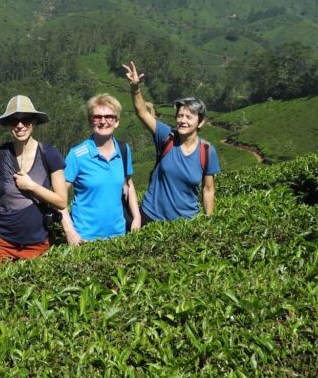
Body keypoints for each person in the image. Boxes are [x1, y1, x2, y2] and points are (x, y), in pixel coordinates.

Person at [123, 61, 220, 222]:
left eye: (189, 117)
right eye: (180, 116)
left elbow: (208, 189)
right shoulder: (166, 136)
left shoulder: (207, 151)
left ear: (200, 122)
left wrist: (208, 222)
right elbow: (142, 112)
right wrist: (135, 87)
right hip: (150, 216)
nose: (182, 120)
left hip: (184, 223)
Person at [0, 95, 67, 264]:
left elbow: (62, 201)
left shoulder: (49, 154)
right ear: (8, 125)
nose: (20, 125)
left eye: (25, 120)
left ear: (33, 122)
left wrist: (32, 186)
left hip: (36, 244)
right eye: (14, 121)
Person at [62, 94, 139, 245]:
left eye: (109, 116)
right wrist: (69, 231)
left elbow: (129, 184)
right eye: (97, 117)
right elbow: (58, 196)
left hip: (119, 236)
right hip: (85, 239)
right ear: (91, 121)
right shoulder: (77, 155)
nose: (103, 121)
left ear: (117, 122)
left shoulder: (124, 150)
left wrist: (137, 218)